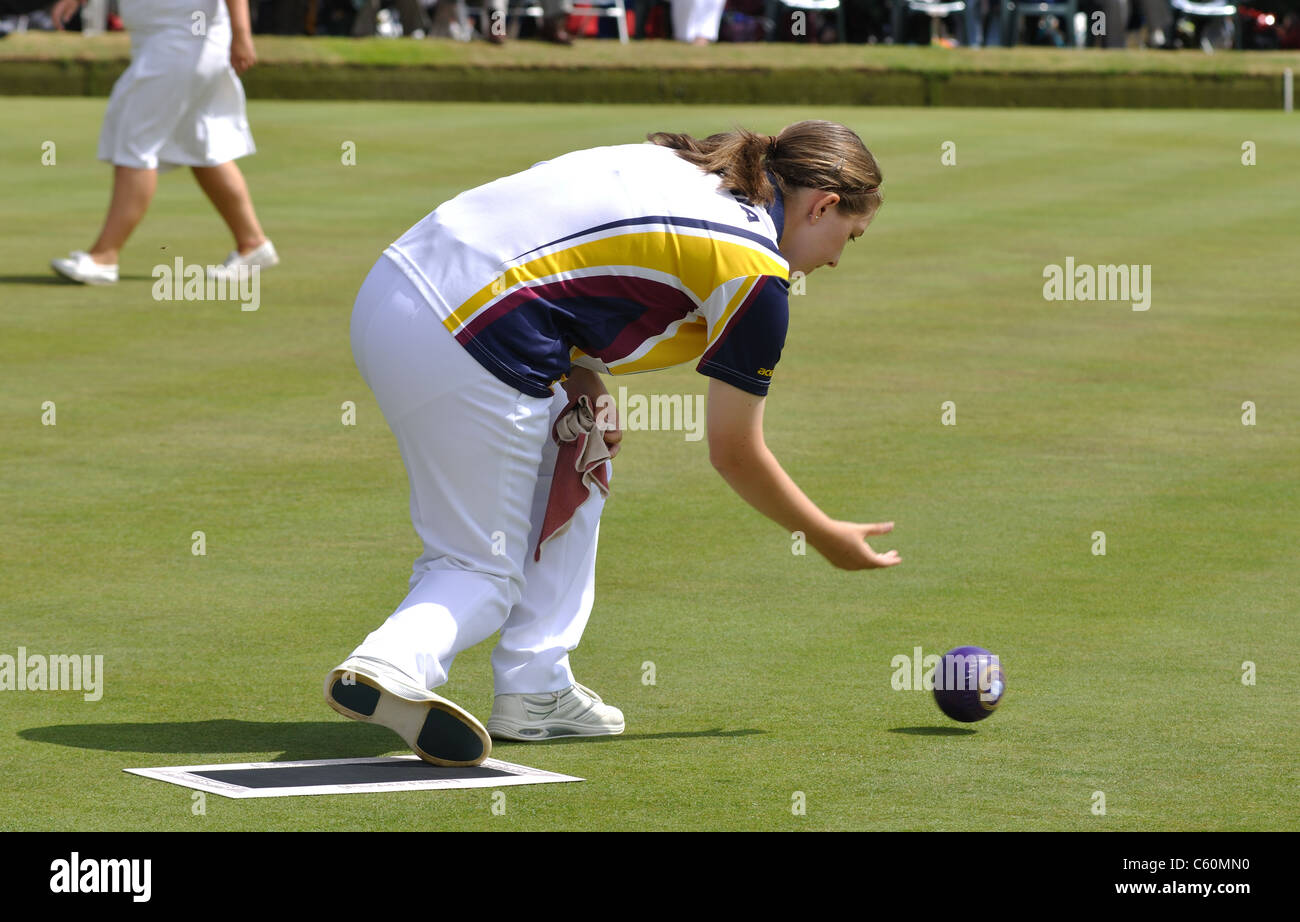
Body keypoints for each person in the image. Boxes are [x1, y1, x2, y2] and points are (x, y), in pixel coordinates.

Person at [325, 120, 898, 767]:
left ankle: (536, 687)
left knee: (584, 436)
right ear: (822, 204)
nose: (834, 261)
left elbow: (562, 261)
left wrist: (579, 374)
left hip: (392, 290)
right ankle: (389, 663)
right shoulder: (758, 272)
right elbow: (734, 451)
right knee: (478, 567)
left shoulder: (689, 166)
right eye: (846, 236)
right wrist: (823, 535)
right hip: (469, 334)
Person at [49, 0, 277, 285]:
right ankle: (252, 243)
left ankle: (104, 257)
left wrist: (242, 34)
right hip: (163, 40)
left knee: (135, 143)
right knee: (201, 147)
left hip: (184, 40)